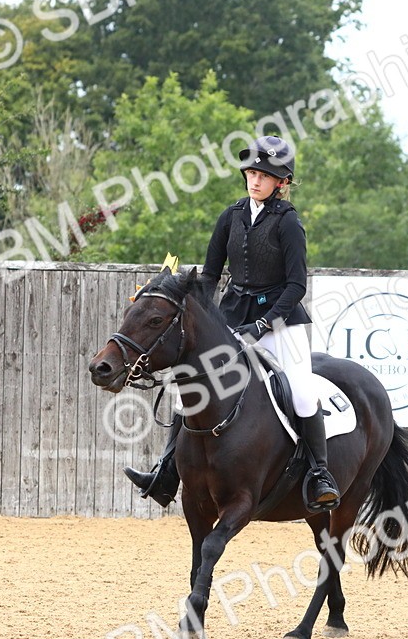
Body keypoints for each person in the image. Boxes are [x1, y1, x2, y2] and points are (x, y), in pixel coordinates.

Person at [124, 134, 341, 513]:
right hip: (231, 317)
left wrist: (263, 326)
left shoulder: (289, 223)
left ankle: (319, 473)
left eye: (264, 175)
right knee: (187, 387)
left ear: (282, 183)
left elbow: (296, 286)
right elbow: (208, 277)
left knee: (304, 392)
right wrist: (181, 298)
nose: (255, 180)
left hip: (282, 322)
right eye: (251, 173)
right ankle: (165, 471)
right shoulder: (232, 215)